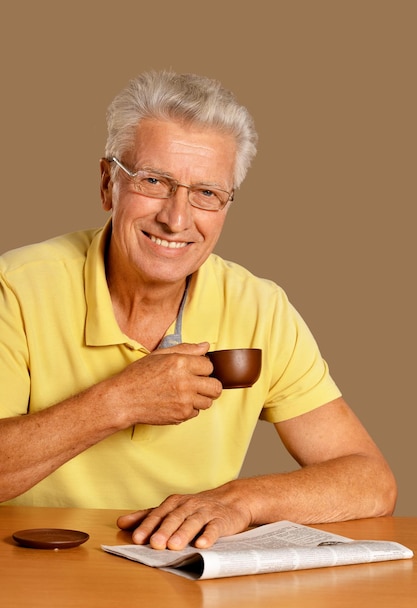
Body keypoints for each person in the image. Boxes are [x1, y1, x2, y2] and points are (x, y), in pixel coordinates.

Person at [0, 70, 396, 550]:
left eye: (207, 193)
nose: (177, 218)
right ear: (108, 184)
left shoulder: (260, 307)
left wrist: (240, 500)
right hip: (33, 575)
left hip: (185, 580)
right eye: (153, 181)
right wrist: (119, 401)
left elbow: (371, 480)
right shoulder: (17, 288)